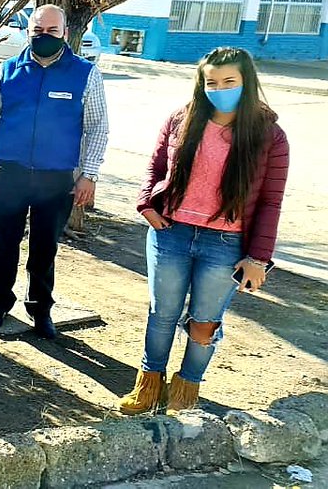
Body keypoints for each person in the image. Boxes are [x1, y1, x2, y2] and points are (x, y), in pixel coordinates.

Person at [118, 47, 289, 414]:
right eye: (211, 82)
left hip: (225, 243)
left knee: (204, 323)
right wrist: (146, 204)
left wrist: (258, 258)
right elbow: (156, 166)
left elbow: (271, 202)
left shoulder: (269, 136)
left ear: (247, 82)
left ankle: (185, 391)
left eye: (229, 81)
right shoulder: (183, 119)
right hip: (171, 234)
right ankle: (148, 386)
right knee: (161, 313)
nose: (219, 88)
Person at [0, 4, 109, 339]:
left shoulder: (85, 74)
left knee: (45, 249)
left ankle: (41, 309)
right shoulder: (8, 72)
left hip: (56, 179)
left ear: (64, 33)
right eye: (38, 31)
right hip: (10, 174)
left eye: (52, 31)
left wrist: (89, 174)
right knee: (4, 246)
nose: (44, 37)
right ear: (29, 31)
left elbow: (98, 128)